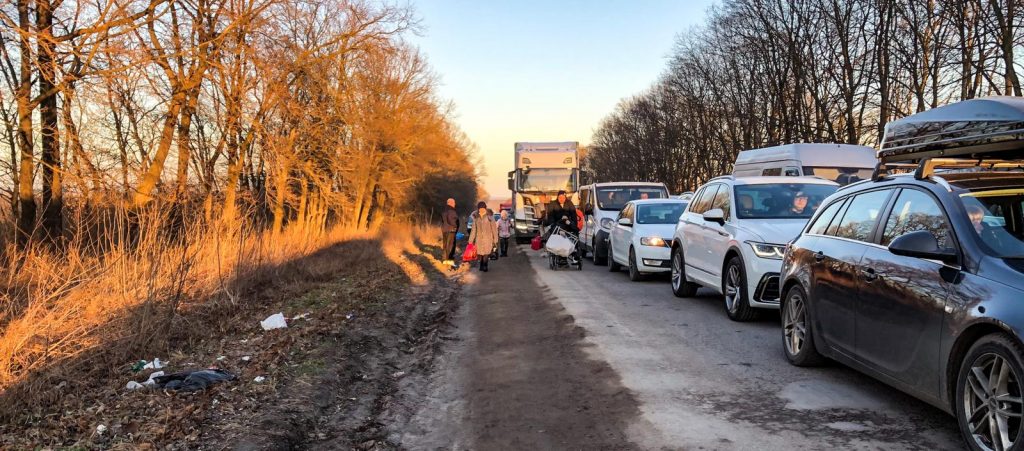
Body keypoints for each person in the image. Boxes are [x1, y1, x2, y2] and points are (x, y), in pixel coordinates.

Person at [468, 201, 498, 271]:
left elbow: (494, 230)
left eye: (483, 208)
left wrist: (495, 240)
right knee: (479, 254)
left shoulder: (490, 218)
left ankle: (485, 265)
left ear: (485, 208)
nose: (481, 210)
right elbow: (473, 230)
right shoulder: (476, 218)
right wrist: (470, 241)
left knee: (486, 253)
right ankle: (481, 264)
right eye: (480, 208)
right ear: (478, 209)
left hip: (488, 239)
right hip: (479, 240)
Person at [441, 198, 459, 266]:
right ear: (451, 203)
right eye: (454, 203)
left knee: (445, 245)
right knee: (450, 246)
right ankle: (449, 261)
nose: (455, 204)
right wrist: (455, 226)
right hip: (451, 230)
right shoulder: (451, 210)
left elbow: (443, 220)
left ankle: (444, 260)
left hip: (444, 230)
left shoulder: (444, 210)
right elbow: (451, 220)